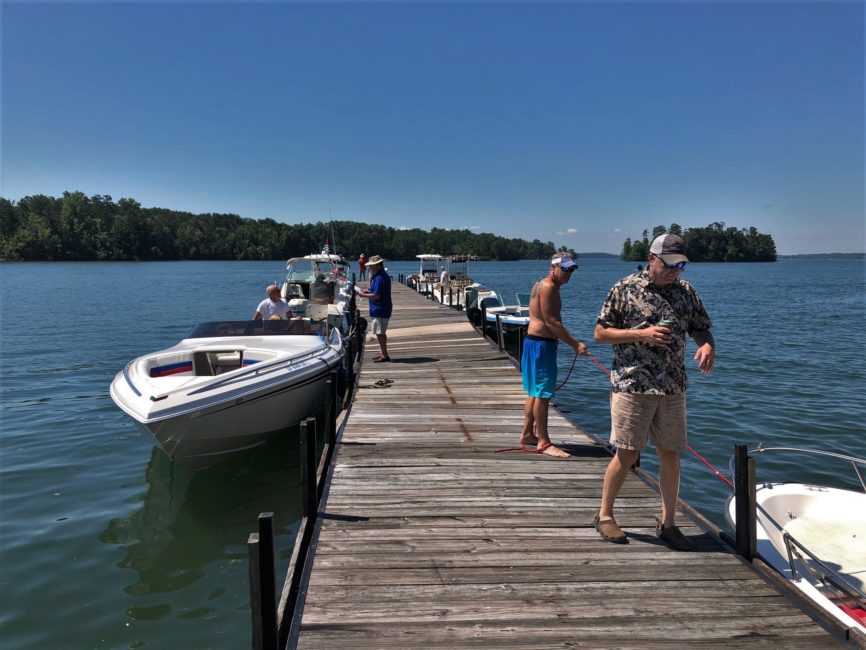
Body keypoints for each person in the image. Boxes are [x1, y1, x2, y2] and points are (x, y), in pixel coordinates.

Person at [593, 234, 715, 551]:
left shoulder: (686, 292)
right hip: (633, 383)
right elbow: (600, 333)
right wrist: (641, 333)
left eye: (682, 265)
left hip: (672, 384)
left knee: (671, 454)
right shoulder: (625, 288)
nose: (677, 271)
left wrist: (706, 344)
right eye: (670, 264)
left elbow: (700, 326)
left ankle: (668, 522)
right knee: (628, 452)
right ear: (652, 259)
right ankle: (605, 515)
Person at [517, 253, 588, 458]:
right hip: (541, 346)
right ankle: (544, 442)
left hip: (533, 343)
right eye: (565, 269)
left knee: (534, 391)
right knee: (543, 394)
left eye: (571, 270)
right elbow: (552, 322)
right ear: (553, 267)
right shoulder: (549, 287)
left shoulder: (540, 284)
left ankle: (527, 434)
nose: (568, 274)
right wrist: (575, 344)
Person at [356, 255, 392, 362]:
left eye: (371, 266)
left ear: (377, 265)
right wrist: (368, 291)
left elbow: (377, 295)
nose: (370, 268)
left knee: (380, 333)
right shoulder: (379, 276)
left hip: (380, 309)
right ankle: (383, 351)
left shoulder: (380, 278)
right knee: (380, 332)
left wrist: (363, 295)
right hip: (380, 308)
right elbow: (375, 291)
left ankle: (385, 355)